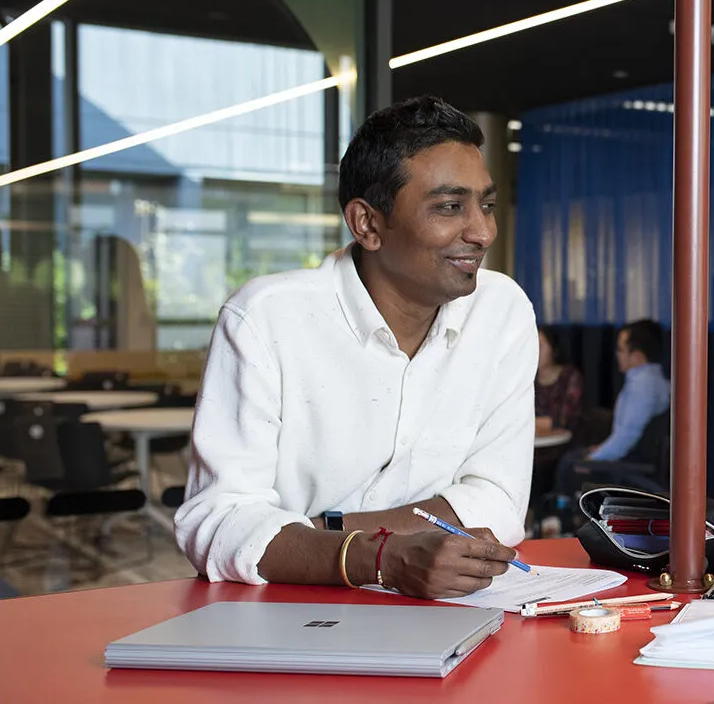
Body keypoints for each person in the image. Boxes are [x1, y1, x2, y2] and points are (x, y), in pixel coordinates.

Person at [175, 96, 538, 600]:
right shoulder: (266, 318)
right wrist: (377, 557)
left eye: (487, 205)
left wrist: (317, 531)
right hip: (284, 615)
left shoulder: (502, 311)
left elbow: (498, 502)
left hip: (444, 608)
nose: (482, 232)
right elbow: (217, 522)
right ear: (367, 223)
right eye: (450, 207)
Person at [549, 319, 670, 517]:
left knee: (571, 463)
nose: (617, 355)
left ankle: (559, 522)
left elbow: (626, 438)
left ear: (637, 356)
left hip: (633, 462)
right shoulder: (656, 381)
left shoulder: (642, 387)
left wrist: (593, 459)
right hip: (637, 457)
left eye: (621, 350)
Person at [534, 326, 583, 433]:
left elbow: (566, 419)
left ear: (554, 349)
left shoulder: (570, 376)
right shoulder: (528, 381)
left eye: (540, 346)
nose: (535, 351)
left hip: (567, 443)